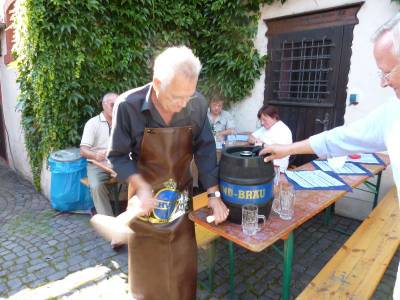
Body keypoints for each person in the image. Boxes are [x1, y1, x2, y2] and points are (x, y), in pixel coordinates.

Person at [260, 14, 400, 300]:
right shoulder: (392, 113)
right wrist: (288, 150)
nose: (384, 83)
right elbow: (339, 139)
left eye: (387, 72)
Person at [103, 46, 229, 299]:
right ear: (157, 83)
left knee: (183, 274)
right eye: (176, 97)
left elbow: (204, 149)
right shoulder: (128, 106)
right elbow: (117, 156)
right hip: (143, 203)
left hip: (180, 201)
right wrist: (141, 185)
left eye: (188, 95)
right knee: (149, 279)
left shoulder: (196, 104)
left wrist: (214, 195)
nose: (184, 104)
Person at [80, 92, 118, 216]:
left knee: (138, 178)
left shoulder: (122, 122)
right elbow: (83, 151)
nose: (116, 108)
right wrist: (96, 155)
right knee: (96, 186)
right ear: (104, 105)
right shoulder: (93, 123)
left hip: (118, 162)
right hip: (97, 165)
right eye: (113, 105)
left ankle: (136, 220)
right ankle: (110, 223)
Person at [249, 104, 292, 171]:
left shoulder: (283, 130)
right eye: (260, 120)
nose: (262, 123)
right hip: (259, 161)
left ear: (274, 117)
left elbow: (280, 151)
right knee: (241, 162)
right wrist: (256, 141)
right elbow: (250, 138)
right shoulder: (265, 128)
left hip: (275, 167)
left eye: (264, 120)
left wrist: (262, 144)